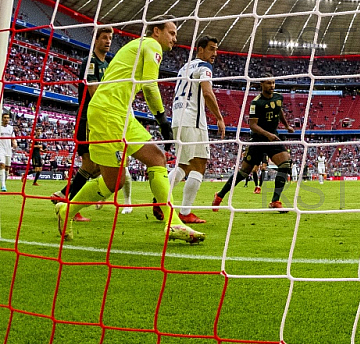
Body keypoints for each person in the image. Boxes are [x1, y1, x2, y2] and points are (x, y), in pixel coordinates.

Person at [54, 17, 205, 244]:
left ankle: (172, 222)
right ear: (156, 31)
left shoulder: (137, 46)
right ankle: (68, 210)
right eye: (171, 33)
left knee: (155, 158)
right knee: (113, 182)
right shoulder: (151, 45)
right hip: (108, 112)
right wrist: (162, 119)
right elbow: (150, 85)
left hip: (120, 113)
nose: (175, 38)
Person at [51, 27, 132, 222]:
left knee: (97, 167)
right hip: (89, 119)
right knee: (90, 165)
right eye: (104, 37)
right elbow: (94, 92)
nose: (108, 41)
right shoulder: (91, 62)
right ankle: (69, 204)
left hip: (99, 119)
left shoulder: (108, 64)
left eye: (110, 38)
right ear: (95, 40)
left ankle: (63, 195)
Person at [167, 35, 225, 225]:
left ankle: (178, 209)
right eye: (211, 49)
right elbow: (207, 92)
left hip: (179, 117)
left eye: (216, 49)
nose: (214, 53)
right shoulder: (204, 66)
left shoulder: (184, 68)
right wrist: (219, 117)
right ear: (200, 49)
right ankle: (169, 204)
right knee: (188, 165)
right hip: (192, 120)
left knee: (194, 164)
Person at [212, 78, 294, 211]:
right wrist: (267, 134)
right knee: (244, 172)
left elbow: (279, 111)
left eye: (273, 83)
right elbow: (252, 125)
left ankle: (275, 201)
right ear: (261, 84)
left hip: (273, 138)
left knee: (285, 164)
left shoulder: (279, 97)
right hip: (258, 139)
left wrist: (286, 125)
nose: (272, 85)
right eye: (268, 83)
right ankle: (220, 195)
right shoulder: (256, 103)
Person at [0, 112, 17, 192]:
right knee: (2, 165)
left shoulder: (10, 128)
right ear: (2, 118)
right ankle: (3, 185)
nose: (6, 119)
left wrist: (14, 143)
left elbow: (13, 138)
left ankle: (4, 182)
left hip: (8, 149)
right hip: (1, 149)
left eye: (7, 118)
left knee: (7, 167)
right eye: (5, 118)